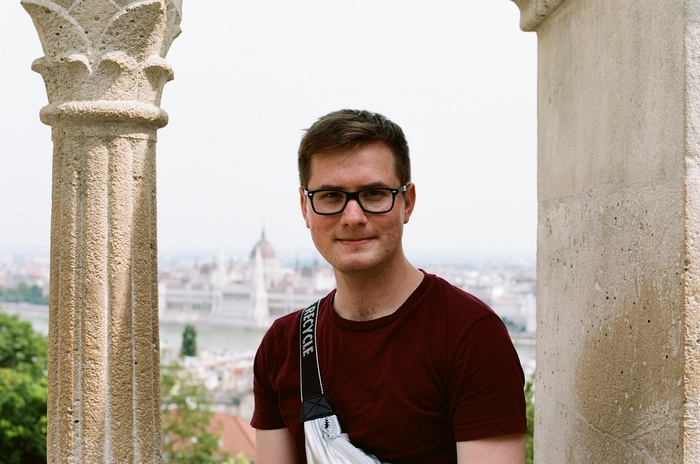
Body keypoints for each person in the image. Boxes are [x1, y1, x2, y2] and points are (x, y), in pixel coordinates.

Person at [251, 109, 527, 463]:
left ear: (407, 203)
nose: (353, 217)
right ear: (306, 208)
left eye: (374, 193)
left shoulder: (470, 336)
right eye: (331, 196)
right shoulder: (281, 346)